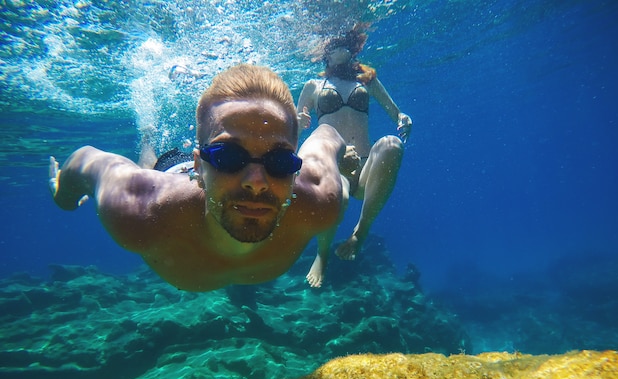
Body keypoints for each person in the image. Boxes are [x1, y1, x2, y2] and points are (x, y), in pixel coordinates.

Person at [49, 64, 347, 291]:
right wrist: (63, 196)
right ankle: (148, 135)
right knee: (149, 164)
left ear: (295, 171)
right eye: (229, 156)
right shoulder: (138, 208)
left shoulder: (321, 200)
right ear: (200, 167)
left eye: (279, 161)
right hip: (171, 174)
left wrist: (347, 161)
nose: (256, 181)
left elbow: (328, 134)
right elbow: (84, 159)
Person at [296, 27, 412, 262]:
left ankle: (361, 231)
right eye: (333, 44)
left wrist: (403, 119)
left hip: (365, 169)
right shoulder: (313, 86)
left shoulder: (367, 81)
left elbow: (395, 112)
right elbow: (295, 131)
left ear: (353, 50)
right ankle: (322, 254)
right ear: (324, 54)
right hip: (334, 168)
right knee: (342, 198)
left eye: (344, 43)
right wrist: (299, 120)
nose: (339, 46)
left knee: (393, 144)